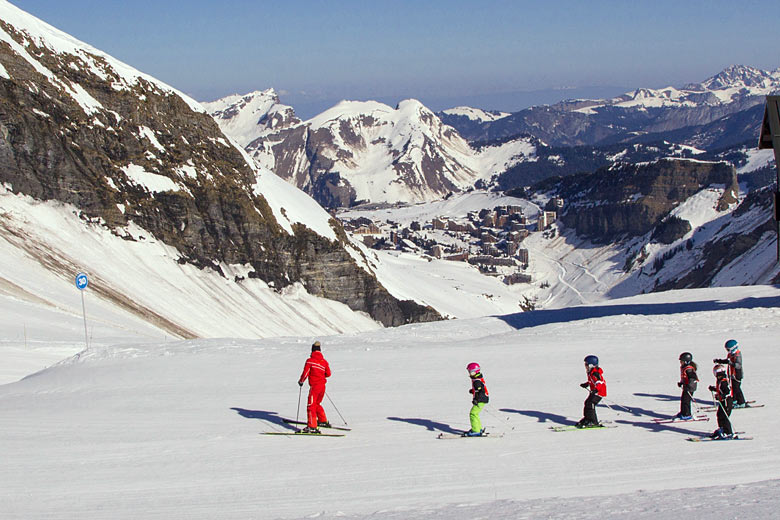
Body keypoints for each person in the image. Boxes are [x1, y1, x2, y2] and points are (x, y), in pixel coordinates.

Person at [297, 340, 331, 434]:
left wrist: (301, 381)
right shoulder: (324, 362)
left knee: (311, 405)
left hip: (315, 387)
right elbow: (328, 374)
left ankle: (312, 426)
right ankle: (322, 420)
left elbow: (306, 373)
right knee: (317, 404)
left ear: (312, 350)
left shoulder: (310, 361)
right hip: (322, 386)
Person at [576, 355, 607, 428]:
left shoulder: (595, 373)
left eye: (586, 364)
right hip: (594, 391)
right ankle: (587, 418)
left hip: (599, 392)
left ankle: (593, 421)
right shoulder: (590, 372)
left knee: (591, 404)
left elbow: (600, 382)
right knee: (587, 403)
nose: (585, 366)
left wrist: (596, 389)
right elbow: (592, 381)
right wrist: (586, 384)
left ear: (591, 365)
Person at [714, 339, 746, 407]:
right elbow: (727, 361)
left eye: (728, 349)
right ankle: (734, 400)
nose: (728, 351)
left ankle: (741, 402)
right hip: (731, 374)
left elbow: (738, 365)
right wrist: (719, 361)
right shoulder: (731, 354)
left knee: (737, 388)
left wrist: (730, 363)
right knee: (732, 388)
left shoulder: (737, 355)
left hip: (737, 374)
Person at [708, 364, 733, 439]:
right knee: (719, 415)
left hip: (727, 401)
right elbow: (720, 389)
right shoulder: (720, 380)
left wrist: (722, 396)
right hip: (722, 401)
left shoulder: (724, 381)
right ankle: (721, 429)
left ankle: (728, 432)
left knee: (725, 417)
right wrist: (714, 389)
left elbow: (728, 392)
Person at [465, 362, 489, 437]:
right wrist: (473, 391)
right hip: (482, 399)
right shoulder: (477, 378)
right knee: (475, 413)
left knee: (473, 414)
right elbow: (479, 390)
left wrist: (477, 399)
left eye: (470, 372)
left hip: (481, 399)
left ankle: (476, 430)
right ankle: (478, 429)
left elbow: (480, 391)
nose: (469, 373)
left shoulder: (477, 381)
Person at [675, 352, 698, 420]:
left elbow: (692, 378)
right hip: (686, 387)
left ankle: (687, 414)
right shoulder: (684, 367)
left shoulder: (689, 369)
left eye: (681, 361)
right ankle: (683, 412)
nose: (680, 362)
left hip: (690, 388)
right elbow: (685, 377)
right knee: (683, 399)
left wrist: (689, 386)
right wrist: (681, 383)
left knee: (686, 401)